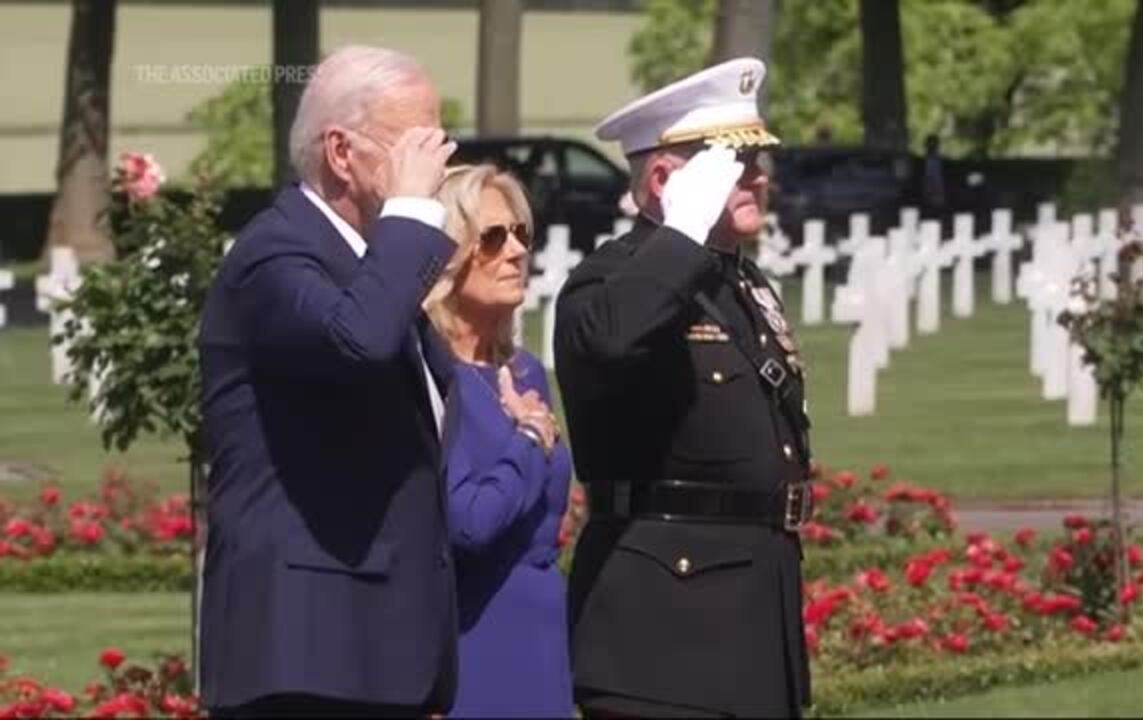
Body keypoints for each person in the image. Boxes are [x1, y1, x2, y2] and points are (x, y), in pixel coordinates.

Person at [197, 45, 461, 718]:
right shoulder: (277, 253)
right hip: (307, 648)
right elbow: (357, 343)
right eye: (414, 145)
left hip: (376, 645)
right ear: (341, 153)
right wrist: (411, 215)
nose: (436, 165)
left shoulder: (365, 265)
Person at [554, 57, 815, 718]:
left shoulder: (743, 284)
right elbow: (612, 340)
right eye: (733, 163)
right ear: (667, 177)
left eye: (758, 160)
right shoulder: (607, 282)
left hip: (753, 615)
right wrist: (680, 233)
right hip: (662, 631)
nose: (758, 175)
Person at [423, 164, 574, 718]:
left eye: (520, 234)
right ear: (447, 257)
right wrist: (530, 437)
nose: (515, 251)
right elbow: (470, 522)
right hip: (475, 640)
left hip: (542, 637)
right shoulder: (431, 376)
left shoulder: (527, 371)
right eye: (492, 237)